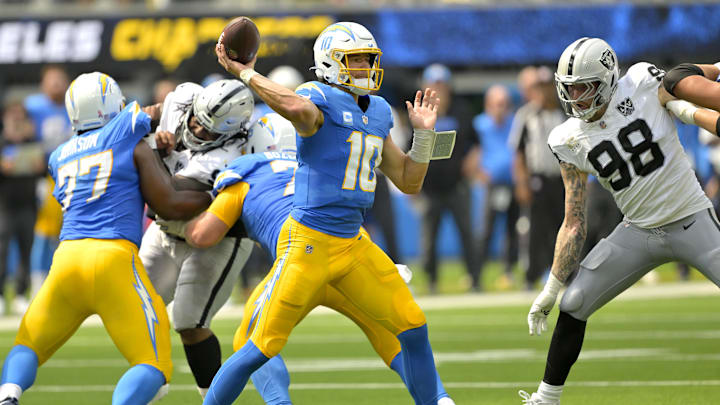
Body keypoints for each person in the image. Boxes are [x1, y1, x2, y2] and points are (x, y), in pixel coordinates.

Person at [209, 21, 450, 405]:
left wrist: (423, 137)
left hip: (353, 243)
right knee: (260, 346)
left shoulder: (378, 111)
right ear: (330, 63)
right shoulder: (315, 98)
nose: (365, 68)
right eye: (354, 61)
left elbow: (408, 180)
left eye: (368, 60)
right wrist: (243, 71)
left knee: (414, 326)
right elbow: (294, 107)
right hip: (308, 243)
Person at [162, 112, 454, 405]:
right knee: (391, 334)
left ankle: (279, 403)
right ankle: (439, 399)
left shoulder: (244, 176)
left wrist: (178, 225)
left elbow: (204, 236)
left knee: (253, 339)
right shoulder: (315, 166)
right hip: (351, 253)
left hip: (300, 259)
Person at [519, 38, 720, 405]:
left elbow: (684, 86)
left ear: (609, 79)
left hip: (690, 217)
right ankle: (546, 398)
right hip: (638, 230)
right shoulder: (567, 138)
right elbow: (574, 220)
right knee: (574, 302)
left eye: (584, 87)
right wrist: (551, 288)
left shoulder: (642, 81)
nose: (575, 97)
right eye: (569, 88)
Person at [0, 72, 212, 405]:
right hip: (112, 258)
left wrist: (152, 142)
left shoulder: (59, 156)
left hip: (66, 260)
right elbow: (161, 110)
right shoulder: (123, 129)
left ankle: (8, 395)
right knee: (153, 365)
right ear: (111, 104)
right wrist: (215, 195)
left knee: (27, 345)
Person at [138, 79, 256, 399]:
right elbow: (154, 112)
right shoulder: (184, 98)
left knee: (189, 321)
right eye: (196, 121)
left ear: (232, 133)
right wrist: (150, 121)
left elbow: (166, 199)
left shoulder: (232, 153)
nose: (198, 132)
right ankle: (156, 373)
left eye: (210, 131)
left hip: (216, 239)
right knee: (137, 308)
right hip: (166, 231)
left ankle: (214, 398)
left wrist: (149, 147)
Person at [417, 63, 479, 293]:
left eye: (441, 84)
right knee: (429, 239)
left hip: (457, 185)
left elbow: (475, 142)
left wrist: (472, 159)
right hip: (429, 187)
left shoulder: (461, 111)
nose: (438, 89)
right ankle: (432, 281)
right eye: (434, 84)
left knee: (466, 233)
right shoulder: (419, 112)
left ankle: (474, 279)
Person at [509, 66, 567, 290]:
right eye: (539, 87)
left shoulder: (564, 113)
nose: (544, 92)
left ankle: (564, 274)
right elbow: (519, 152)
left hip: (561, 179)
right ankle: (531, 276)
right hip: (537, 179)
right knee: (534, 230)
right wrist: (521, 183)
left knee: (564, 227)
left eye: (547, 86)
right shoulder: (526, 115)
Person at [24, 65, 73, 302]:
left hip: (74, 176)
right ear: (43, 83)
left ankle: (61, 281)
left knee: (67, 234)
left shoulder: (74, 105)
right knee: (43, 233)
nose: (56, 84)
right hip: (46, 177)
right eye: (51, 80)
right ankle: (37, 283)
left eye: (59, 80)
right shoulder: (33, 107)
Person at [471, 84, 519, 289]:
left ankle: (507, 272)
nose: (502, 108)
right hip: (491, 185)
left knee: (512, 231)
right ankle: (476, 276)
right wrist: (478, 173)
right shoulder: (479, 124)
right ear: (488, 105)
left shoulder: (514, 122)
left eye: (505, 104)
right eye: (498, 104)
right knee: (485, 231)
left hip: (513, 184)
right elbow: (473, 151)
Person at [0, 102, 45, 315]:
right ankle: (1, 295)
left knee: (26, 250)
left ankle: (20, 294)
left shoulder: (33, 142)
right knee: (2, 250)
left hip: (28, 204)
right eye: (13, 116)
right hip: (5, 206)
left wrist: (39, 167)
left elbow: (43, 171)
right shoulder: (2, 142)